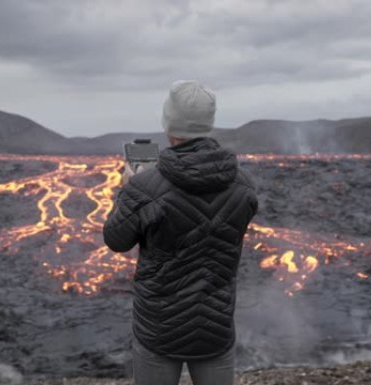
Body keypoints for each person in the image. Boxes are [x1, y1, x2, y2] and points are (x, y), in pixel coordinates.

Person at [103, 80, 258, 385]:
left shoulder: (145, 187)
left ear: (168, 123)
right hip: (215, 325)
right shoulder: (244, 185)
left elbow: (116, 239)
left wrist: (129, 189)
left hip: (160, 328)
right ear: (209, 125)